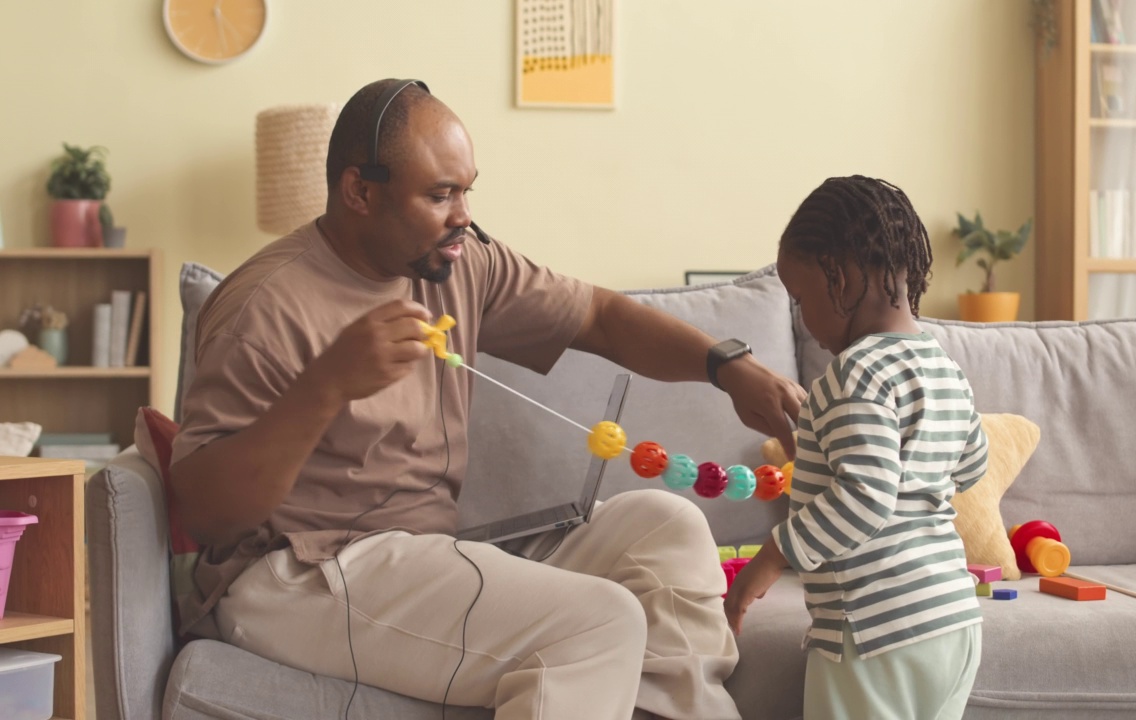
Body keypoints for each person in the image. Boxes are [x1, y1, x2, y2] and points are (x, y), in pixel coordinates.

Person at [168, 78, 806, 720]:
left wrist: (729, 366)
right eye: (440, 194)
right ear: (359, 191)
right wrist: (327, 385)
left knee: (668, 529)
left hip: (424, 556)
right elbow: (207, 513)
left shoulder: (455, 261)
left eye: (466, 189)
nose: (463, 214)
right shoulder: (263, 306)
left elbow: (602, 317)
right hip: (296, 575)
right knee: (599, 624)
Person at [723, 175, 990, 719]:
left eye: (800, 299)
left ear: (840, 279)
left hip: (874, 628)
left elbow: (867, 495)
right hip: (953, 622)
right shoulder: (944, 367)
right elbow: (971, 465)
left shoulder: (855, 373)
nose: (801, 316)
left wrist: (770, 558)